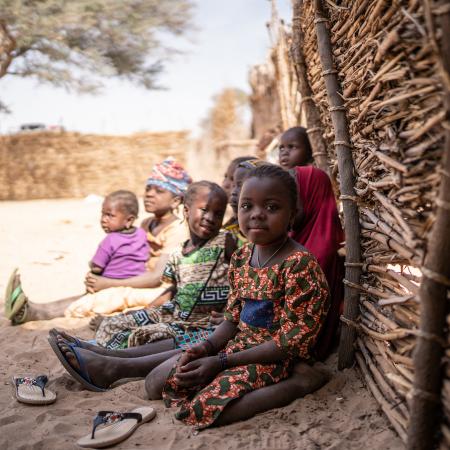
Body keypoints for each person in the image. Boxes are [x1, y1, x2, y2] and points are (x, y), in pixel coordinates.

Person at [145, 163, 330, 429]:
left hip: (277, 357)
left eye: (271, 207)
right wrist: (206, 348)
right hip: (238, 349)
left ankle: (302, 382)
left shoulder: (299, 265)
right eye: (247, 206)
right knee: (159, 383)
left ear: (293, 213)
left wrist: (221, 362)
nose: (256, 215)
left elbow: (289, 343)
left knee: (202, 408)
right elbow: (232, 320)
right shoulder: (243, 257)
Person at [48, 181, 237, 389]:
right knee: (113, 323)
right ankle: (98, 352)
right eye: (204, 210)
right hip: (173, 311)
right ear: (186, 210)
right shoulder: (178, 252)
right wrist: (146, 311)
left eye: (218, 214)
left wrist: (229, 310)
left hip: (201, 320)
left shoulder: (225, 241)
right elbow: (173, 289)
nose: (210, 218)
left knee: (144, 333)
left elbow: (241, 278)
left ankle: (106, 358)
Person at [4, 158, 191, 324]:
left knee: (112, 294)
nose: (149, 194)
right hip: (139, 279)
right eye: (148, 188)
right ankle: (37, 309)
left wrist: (108, 282)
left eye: (159, 191)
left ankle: (37, 313)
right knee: (95, 291)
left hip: (161, 290)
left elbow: (155, 278)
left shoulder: (177, 230)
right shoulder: (146, 223)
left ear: (176, 201)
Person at [290, 166, 344, 360]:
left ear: (310, 196)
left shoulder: (320, 252)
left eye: (292, 197)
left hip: (296, 345)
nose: (284, 204)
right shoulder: (297, 236)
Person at [87, 190, 149, 279]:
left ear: (129, 220)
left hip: (111, 281)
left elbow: (97, 268)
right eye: (103, 214)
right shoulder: (141, 233)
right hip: (138, 280)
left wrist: (91, 265)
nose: (103, 220)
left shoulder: (110, 240)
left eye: (110, 215)